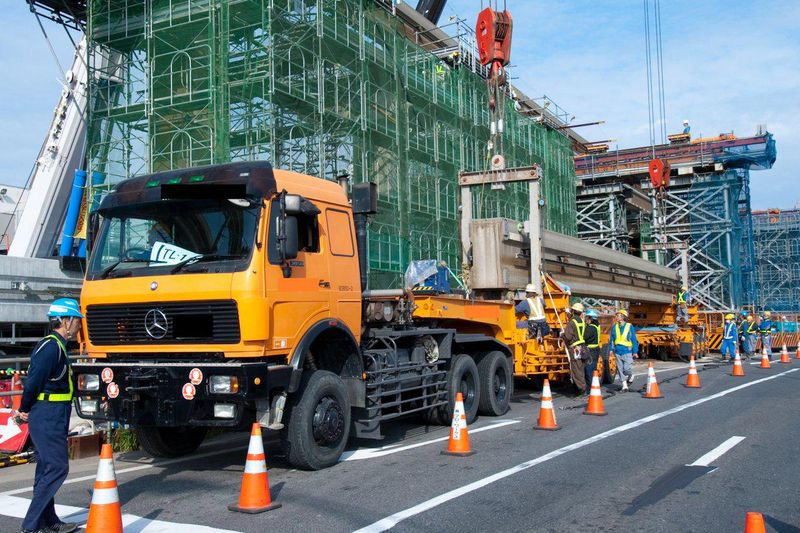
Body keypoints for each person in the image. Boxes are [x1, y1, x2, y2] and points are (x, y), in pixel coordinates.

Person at [15, 298, 83, 533]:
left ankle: (48, 520)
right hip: (47, 414)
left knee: (46, 468)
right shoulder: (51, 347)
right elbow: (33, 382)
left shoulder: (58, 346)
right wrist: (24, 408)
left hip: (55, 414)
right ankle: (31, 525)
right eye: (77, 321)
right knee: (56, 467)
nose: (79, 326)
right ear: (66, 320)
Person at [609, 308, 638, 392]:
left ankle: (631, 375)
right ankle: (624, 386)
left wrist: (635, 351)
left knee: (627, 369)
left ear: (623, 317)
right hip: (618, 351)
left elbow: (633, 339)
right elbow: (611, 339)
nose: (616, 317)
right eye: (617, 315)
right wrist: (611, 349)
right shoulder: (614, 327)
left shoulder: (629, 326)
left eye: (618, 315)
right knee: (620, 370)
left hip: (627, 351)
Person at [562, 302, 587, 394]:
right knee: (580, 368)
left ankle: (582, 389)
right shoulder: (582, 322)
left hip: (575, 348)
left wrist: (562, 335)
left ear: (573, 311)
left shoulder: (572, 322)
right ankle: (582, 387)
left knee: (576, 369)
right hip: (582, 347)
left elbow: (568, 336)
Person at [584, 309, 602, 392]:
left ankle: (591, 390)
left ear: (589, 318)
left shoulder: (590, 328)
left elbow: (584, 337)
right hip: (595, 350)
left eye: (586, 317)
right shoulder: (596, 326)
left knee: (588, 371)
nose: (585, 319)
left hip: (591, 351)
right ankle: (593, 388)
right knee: (592, 371)